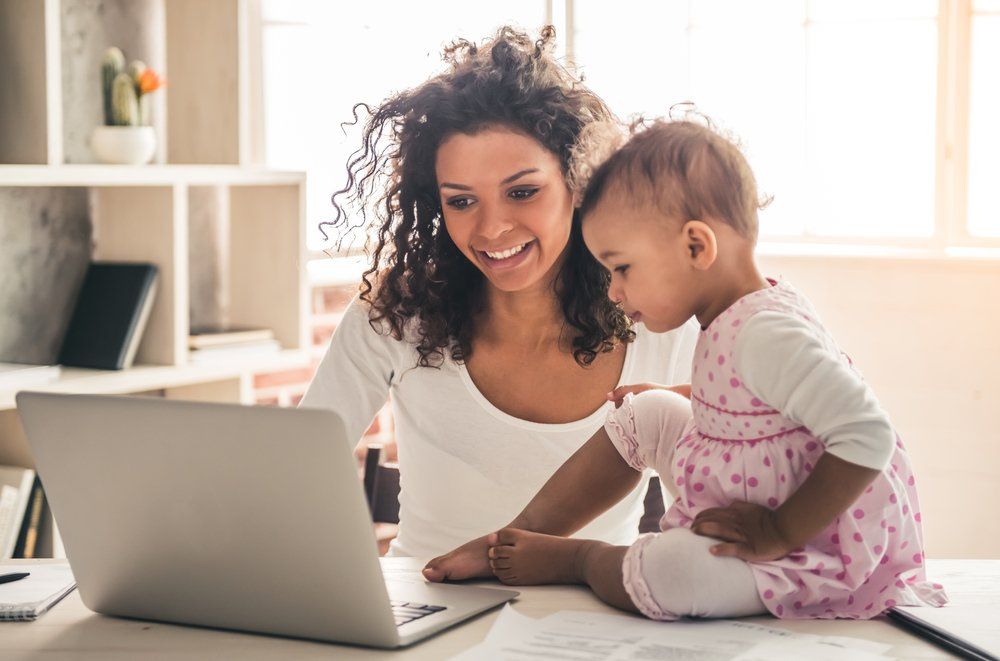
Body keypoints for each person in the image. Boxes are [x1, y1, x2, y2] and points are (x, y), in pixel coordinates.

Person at [427, 115, 947, 621]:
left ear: (696, 246)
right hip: (755, 484)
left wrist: (779, 531)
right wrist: (684, 394)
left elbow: (867, 434)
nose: (614, 291)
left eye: (622, 268)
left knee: (674, 572)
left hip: (806, 542)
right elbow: (768, 407)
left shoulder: (765, 333)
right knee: (649, 409)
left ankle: (580, 559)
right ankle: (518, 536)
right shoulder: (739, 314)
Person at [299, 27, 698, 560]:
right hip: (425, 601)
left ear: (579, 182)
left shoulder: (663, 320)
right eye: (461, 201)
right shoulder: (396, 311)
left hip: (594, 606)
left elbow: (707, 524)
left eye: (522, 192)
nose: (491, 229)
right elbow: (292, 474)